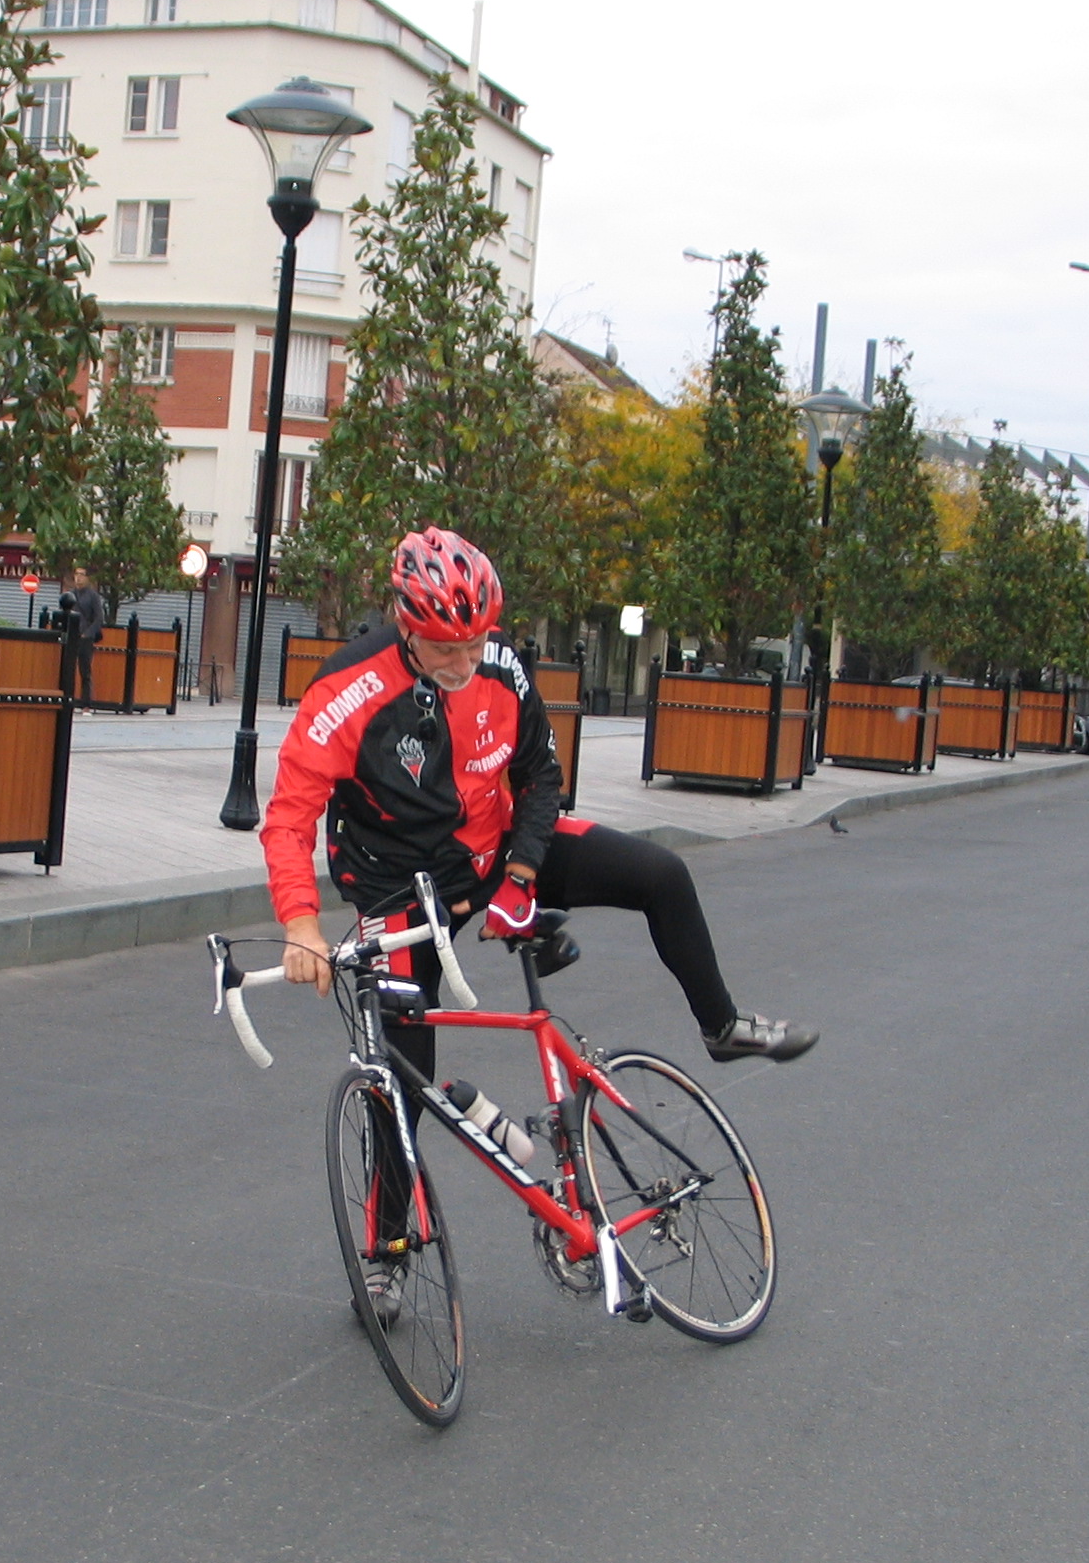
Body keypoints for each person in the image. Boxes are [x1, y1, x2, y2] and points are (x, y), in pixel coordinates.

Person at [263, 527, 816, 1316]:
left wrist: (521, 876)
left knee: (661, 875)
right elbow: (289, 816)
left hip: (496, 850)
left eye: (476, 642)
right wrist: (301, 924)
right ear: (403, 622)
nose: (465, 662)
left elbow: (541, 775)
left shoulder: (501, 665)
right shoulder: (346, 691)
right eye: (445, 647)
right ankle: (387, 1253)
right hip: (399, 889)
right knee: (398, 1084)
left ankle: (722, 1025)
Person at [65, 568, 106, 703]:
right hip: (71, 636)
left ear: (87, 578)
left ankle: (86, 703)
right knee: (67, 670)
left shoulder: (93, 596)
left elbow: (99, 618)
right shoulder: (69, 595)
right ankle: (67, 700)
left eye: (82, 575)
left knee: (85, 671)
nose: (78, 577)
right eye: (76, 574)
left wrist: (87, 634)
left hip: (85, 638)